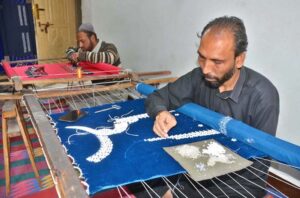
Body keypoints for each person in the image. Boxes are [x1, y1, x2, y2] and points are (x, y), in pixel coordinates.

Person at [129, 16, 280, 197]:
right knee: (137, 178)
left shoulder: (263, 96)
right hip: (192, 165)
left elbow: (254, 176)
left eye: (217, 62)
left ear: (239, 60)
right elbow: (158, 97)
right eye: (201, 57)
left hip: (232, 183)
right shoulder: (198, 77)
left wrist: (179, 192)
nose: (206, 68)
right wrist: (161, 112)